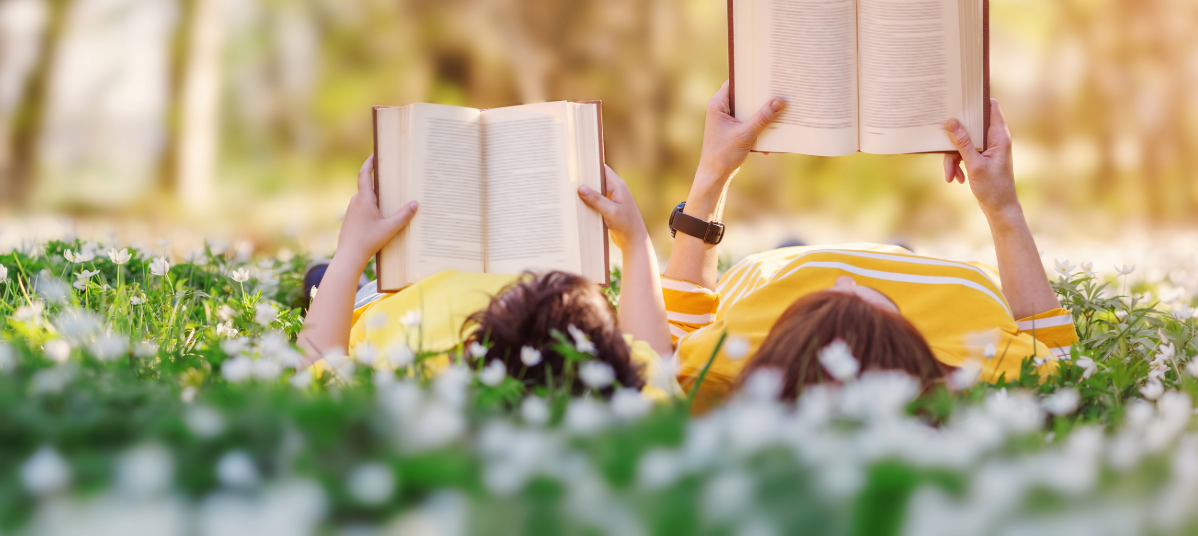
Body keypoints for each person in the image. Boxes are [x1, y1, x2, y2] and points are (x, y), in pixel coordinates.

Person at [663, 83, 1078, 408]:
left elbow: (679, 322)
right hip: (934, 278)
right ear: (907, 350)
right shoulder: (991, 374)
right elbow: (1059, 357)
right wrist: (1002, 206)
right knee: (901, 250)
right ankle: (900, 252)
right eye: (867, 300)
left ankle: (795, 250)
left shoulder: (723, 371)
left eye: (819, 304)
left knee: (790, 249)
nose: (843, 278)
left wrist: (714, 172)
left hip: (778, 268)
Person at [297, 156, 678, 399]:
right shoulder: (623, 387)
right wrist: (635, 240)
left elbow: (314, 360)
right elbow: (655, 359)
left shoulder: (411, 383)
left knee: (329, 281)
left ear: (471, 352)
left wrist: (350, 251)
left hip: (399, 298)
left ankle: (327, 275)